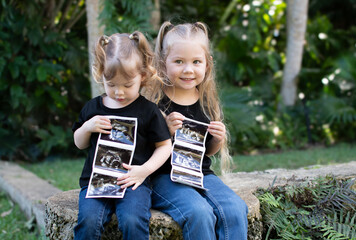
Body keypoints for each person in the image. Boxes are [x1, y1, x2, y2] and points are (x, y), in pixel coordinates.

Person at [146, 21, 249, 240]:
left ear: (207, 65)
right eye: (179, 61)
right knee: (199, 213)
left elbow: (207, 151)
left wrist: (217, 141)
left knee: (235, 209)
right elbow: (141, 149)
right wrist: (164, 131)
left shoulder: (206, 102)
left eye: (196, 62)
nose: (188, 69)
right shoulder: (154, 103)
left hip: (200, 173)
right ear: (163, 63)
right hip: (164, 177)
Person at [72, 31, 172, 240]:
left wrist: (144, 170)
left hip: (133, 183)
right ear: (101, 75)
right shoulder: (93, 108)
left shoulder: (148, 111)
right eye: (111, 85)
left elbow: (165, 146)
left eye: (127, 85)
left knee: (133, 220)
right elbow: (79, 143)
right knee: (88, 221)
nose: (119, 92)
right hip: (96, 182)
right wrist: (87, 127)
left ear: (142, 77)